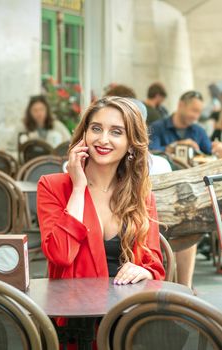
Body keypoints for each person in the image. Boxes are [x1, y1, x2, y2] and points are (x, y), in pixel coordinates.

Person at [37, 97, 165, 346]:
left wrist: (144, 270)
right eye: (96, 128)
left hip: (127, 317)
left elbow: (156, 265)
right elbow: (60, 254)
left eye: (116, 132)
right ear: (84, 134)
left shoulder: (142, 196)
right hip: (75, 319)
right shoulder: (52, 186)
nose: (103, 139)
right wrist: (78, 188)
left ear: (130, 144)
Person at [149, 90, 212, 155]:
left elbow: (210, 152)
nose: (196, 117)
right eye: (194, 110)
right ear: (180, 105)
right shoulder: (156, 127)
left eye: (199, 113)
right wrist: (176, 146)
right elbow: (151, 152)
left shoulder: (199, 131)